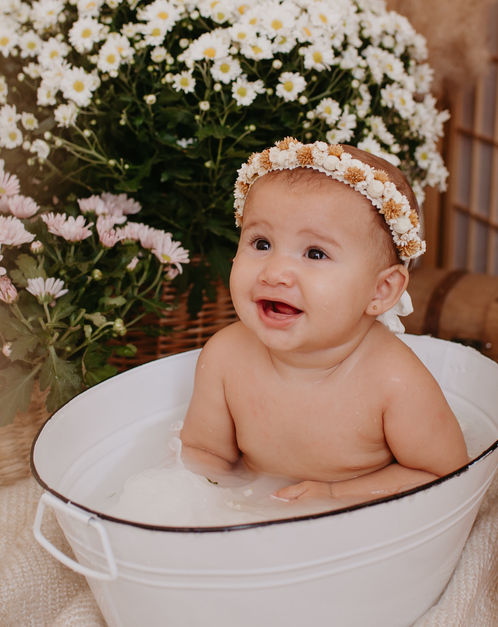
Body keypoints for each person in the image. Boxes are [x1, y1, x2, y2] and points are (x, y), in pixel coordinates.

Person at [179, 138, 469, 505]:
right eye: (261, 243)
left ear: (380, 290)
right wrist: (216, 510)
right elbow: (203, 455)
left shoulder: (393, 380)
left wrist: (336, 494)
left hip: (363, 522)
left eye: (315, 253)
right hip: (254, 515)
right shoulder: (225, 357)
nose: (275, 273)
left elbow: (446, 475)